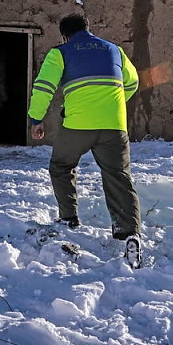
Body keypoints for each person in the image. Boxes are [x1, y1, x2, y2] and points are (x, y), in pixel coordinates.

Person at [28, 14, 143, 268]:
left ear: (64, 35)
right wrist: (111, 104)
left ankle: (69, 218)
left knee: (61, 166)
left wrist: (36, 119)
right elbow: (133, 82)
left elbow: (44, 86)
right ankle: (128, 233)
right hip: (114, 125)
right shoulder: (115, 50)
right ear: (88, 29)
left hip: (77, 125)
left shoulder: (60, 52)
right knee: (118, 176)